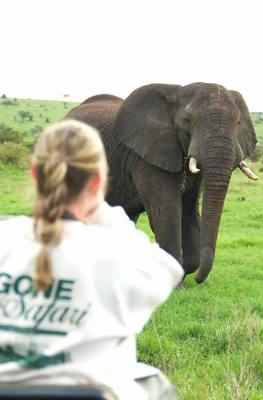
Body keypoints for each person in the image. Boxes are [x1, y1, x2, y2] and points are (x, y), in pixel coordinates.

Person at [0, 120, 183, 400]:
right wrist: (102, 210)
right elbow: (168, 272)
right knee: (155, 385)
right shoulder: (116, 253)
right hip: (94, 393)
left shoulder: (5, 237)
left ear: (35, 174)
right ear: (97, 182)